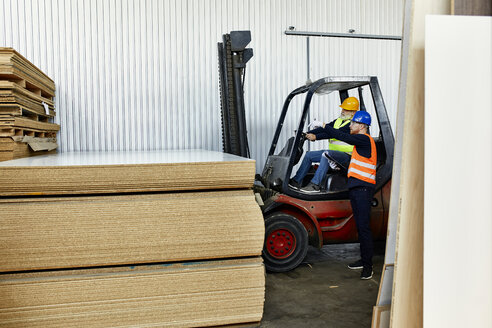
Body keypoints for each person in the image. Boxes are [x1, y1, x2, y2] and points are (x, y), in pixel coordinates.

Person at [303, 111, 377, 280]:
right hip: (357, 187)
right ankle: (363, 259)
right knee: (360, 226)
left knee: (364, 228)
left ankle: (368, 266)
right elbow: (359, 165)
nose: (350, 126)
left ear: (362, 126)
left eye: (353, 124)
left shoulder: (364, 139)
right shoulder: (361, 143)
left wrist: (324, 126)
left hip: (363, 189)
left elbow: (343, 137)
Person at [289, 97, 359, 189]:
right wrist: (308, 133)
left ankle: (315, 185)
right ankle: (296, 181)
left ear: (353, 112)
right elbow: (325, 128)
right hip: (334, 154)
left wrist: (316, 137)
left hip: (347, 157)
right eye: (342, 108)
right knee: (309, 155)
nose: (342, 111)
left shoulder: (353, 125)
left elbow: (334, 133)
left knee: (326, 155)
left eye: (345, 110)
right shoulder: (338, 121)